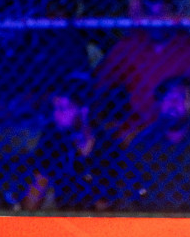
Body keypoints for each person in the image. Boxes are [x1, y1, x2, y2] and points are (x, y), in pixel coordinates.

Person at [95, 0, 190, 142]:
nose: (155, 21)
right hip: (134, 127)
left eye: (162, 14)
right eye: (150, 14)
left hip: (177, 126)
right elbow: (100, 82)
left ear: (175, 16)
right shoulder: (130, 45)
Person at [19, 79, 121, 212]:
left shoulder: (105, 144)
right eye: (55, 109)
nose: (56, 115)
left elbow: (105, 201)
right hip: (66, 214)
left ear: (83, 110)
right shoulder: (53, 138)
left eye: (63, 109)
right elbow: (38, 186)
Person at [126, 75, 190, 211]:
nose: (173, 104)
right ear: (160, 103)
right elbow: (128, 188)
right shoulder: (143, 142)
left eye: (181, 98)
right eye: (169, 98)